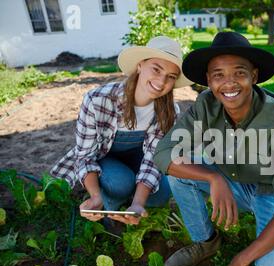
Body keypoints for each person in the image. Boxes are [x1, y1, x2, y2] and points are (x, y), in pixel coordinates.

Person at [153, 32, 274, 266]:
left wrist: (243, 257)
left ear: (254, 76)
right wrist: (212, 177)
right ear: (208, 81)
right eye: (218, 75)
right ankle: (206, 241)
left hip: (271, 193)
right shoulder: (205, 105)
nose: (229, 83)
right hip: (229, 181)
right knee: (180, 170)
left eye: (239, 73)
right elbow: (163, 153)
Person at [50, 36, 192, 228]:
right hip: (105, 157)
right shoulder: (98, 100)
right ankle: (108, 204)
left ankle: (132, 203)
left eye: (171, 76)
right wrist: (95, 196)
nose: (161, 80)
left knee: (162, 194)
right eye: (156, 69)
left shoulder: (169, 111)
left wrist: (138, 203)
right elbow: (85, 156)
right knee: (120, 183)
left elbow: (152, 159)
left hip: (139, 157)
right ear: (140, 65)